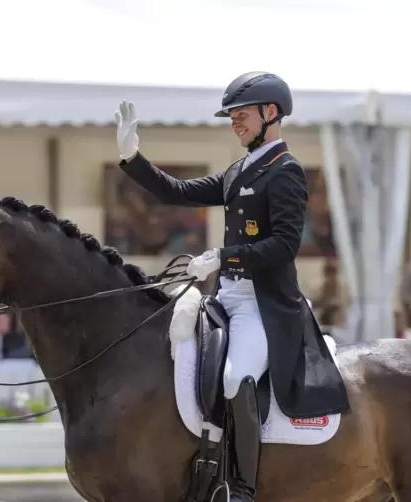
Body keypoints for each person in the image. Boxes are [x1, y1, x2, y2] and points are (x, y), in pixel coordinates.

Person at [114, 71, 349, 502]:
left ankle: (241, 487)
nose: (235, 122)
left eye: (241, 114)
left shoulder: (286, 172)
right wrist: (134, 160)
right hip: (224, 297)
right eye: (232, 115)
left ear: (270, 113)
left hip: (263, 304)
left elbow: (284, 245)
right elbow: (178, 192)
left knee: (236, 377)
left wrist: (225, 257)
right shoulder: (240, 169)